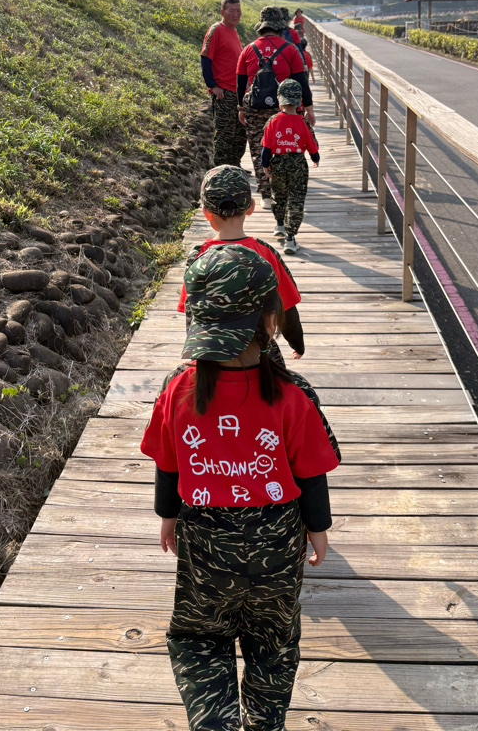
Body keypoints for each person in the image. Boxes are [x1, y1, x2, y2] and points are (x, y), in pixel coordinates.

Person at [141, 245, 340, 731]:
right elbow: (311, 472)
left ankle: (216, 722)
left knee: (199, 638)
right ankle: (266, 722)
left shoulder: (178, 388)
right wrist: (318, 529)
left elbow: (168, 461)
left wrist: (168, 515)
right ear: (271, 318)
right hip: (278, 543)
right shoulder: (293, 393)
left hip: (204, 541)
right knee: (273, 641)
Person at [177, 164, 306, 357]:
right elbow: (286, 307)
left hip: (211, 352)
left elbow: (192, 312)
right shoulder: (265, 252)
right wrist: (297, 343)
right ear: (251, 207)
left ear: (206, 212)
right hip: (258, 350)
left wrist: (196, 357)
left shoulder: (199, 256)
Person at [237, 6, 314, 211]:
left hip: (254, 106)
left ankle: (265, 195)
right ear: (280, 27)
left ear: (261, 27)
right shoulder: (290, 49)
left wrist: (240, 108)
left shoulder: (248, 49)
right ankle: (282, 189)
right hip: (283, 107)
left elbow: (240, 83)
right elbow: (301, 82)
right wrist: (309, 108)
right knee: (284, 146)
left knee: (258, 148)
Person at [261, 80, 319, 255]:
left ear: (280, 100)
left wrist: (265, 165)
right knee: (296, 199)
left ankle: (279, 224)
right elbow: (312, 145)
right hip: (298, 164)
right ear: (299, 101)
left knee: (278, 195)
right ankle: (290, 238)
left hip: (278, 163)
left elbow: (266, 148)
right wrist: (315, 158)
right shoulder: (303, 122)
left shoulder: (272, 121)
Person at [201, 0, 247, 168]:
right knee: (224, 135)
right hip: (224, 93)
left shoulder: (234, 31)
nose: (236, 14)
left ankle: (235, 168)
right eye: (231, 11)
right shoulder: (217, 30)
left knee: (239, 135)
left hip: (238, 92)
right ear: (222, 12)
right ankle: (222, 171)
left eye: (238, 11)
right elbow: (205, 59)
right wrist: (213, 86)